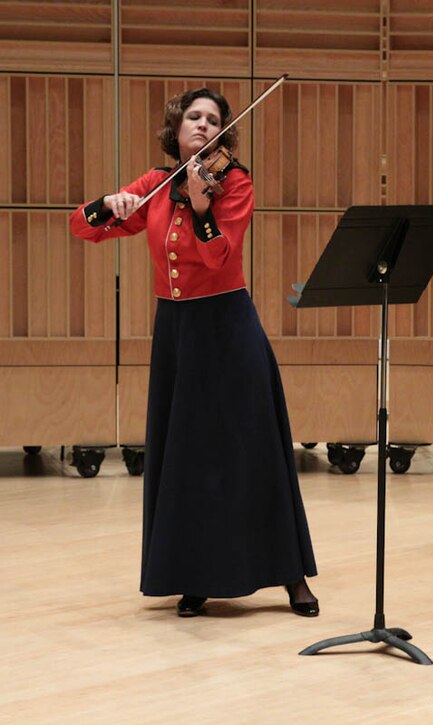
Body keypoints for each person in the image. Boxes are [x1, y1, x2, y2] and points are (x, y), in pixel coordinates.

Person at [69, 88, 319, 618]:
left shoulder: (234, 182)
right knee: (188, 455)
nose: (203, 126)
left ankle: (291, 574)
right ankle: (195, 576)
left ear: (222, 133)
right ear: (176, 129)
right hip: (178, 333)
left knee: (255, 450)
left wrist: (202, 206)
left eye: (213, 120)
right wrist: (108, 205)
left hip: (228, 327)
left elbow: (219, 254)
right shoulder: (156, 185)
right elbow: (81, 228)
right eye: (194, 117)